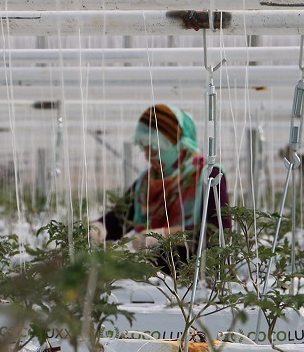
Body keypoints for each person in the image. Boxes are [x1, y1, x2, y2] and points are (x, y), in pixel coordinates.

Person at [90, 104, 229, 266]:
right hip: (160, 282)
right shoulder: (146, 182)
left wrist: (167, 236)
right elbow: (119, 219)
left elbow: (219, 234)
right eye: (145, 150)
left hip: (203, 278)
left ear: (180, 143)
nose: (149, 157)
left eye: (155, 150)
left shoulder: (209, 176)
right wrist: (98, 228)